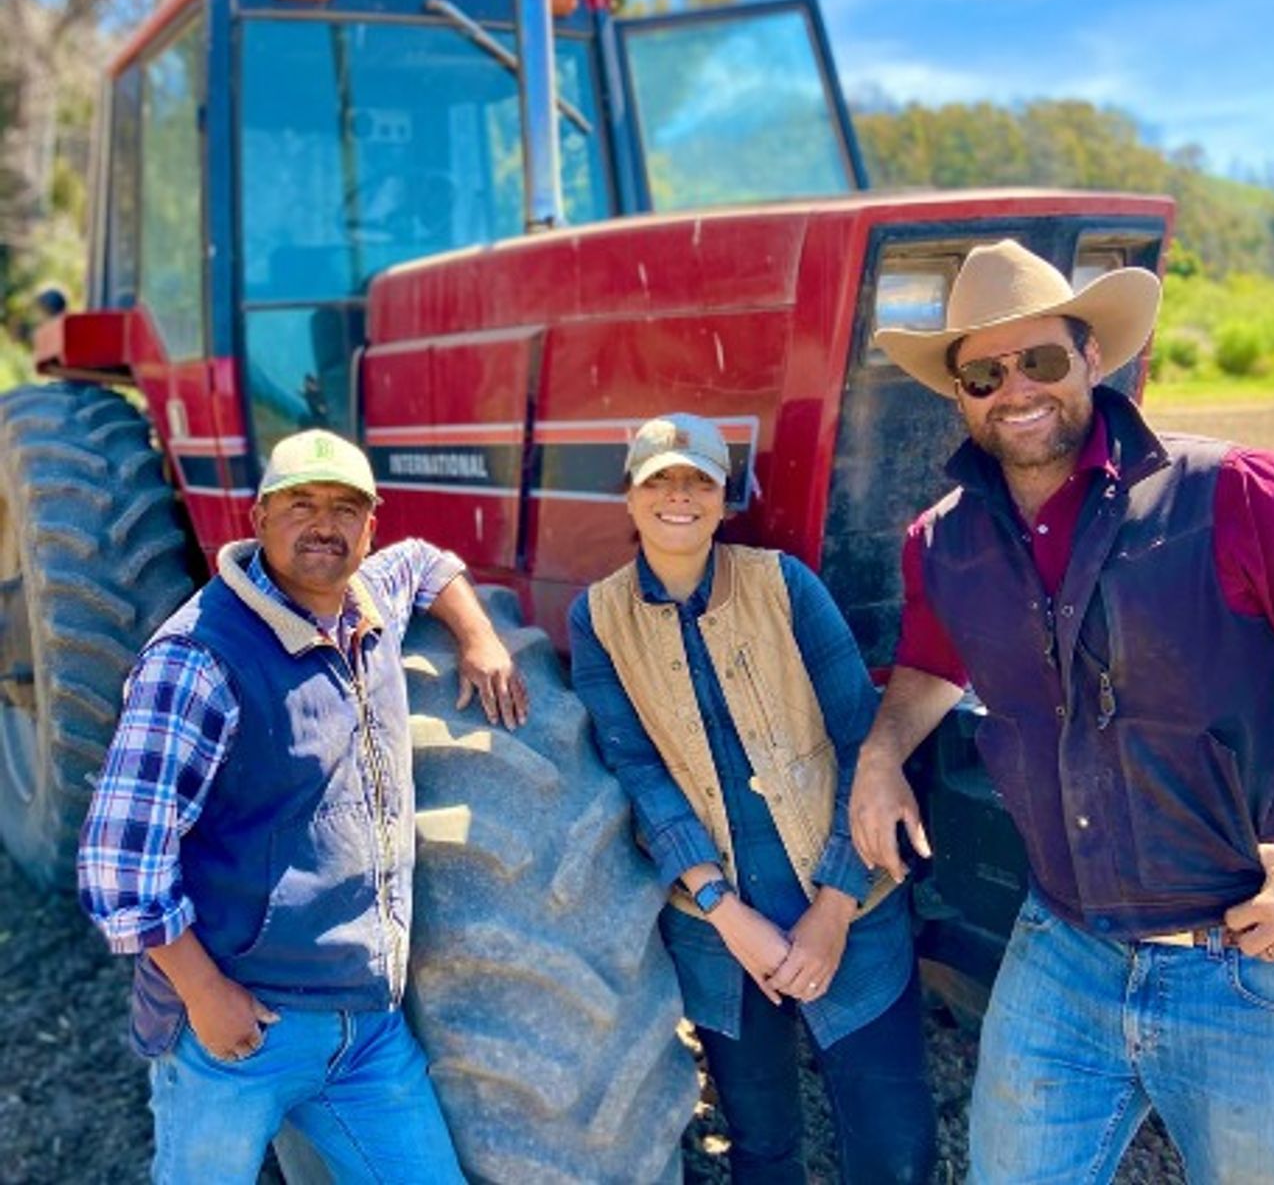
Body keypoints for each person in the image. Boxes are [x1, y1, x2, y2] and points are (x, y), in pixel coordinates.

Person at [849, 237, 1274, 1183]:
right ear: (958, 393)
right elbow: (930, 664)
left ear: (1093, 359)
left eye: (1042, 359)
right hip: (1062, 954)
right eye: (984, 371)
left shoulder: (1230, 494)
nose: (1014, 387)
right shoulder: (942, 543)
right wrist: (881, 753)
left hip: (1246, 965)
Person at [78, 428, 527, 1184]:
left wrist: (480, 637)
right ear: (258, 520)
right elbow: (118, 864)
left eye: (347, 508)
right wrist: (203, 992)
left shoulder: (366, 599)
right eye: (302, 505)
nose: (326, 524)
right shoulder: (198, 659)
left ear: (368, 527)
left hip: (369, 1034)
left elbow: (424, 561)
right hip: (244, 1029)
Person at [569, 413, 934, 1184]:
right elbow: (637, 770)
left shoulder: (784, 585)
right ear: (629, 498)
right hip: (718, 933)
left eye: (697, 481)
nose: (678, 496)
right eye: (657, 481)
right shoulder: (597, 617)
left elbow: (862, 747)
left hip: (853, 910)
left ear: (724, 498)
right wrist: (725, 913)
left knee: (893, 1148)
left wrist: (835, 909)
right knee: (764, 1147)